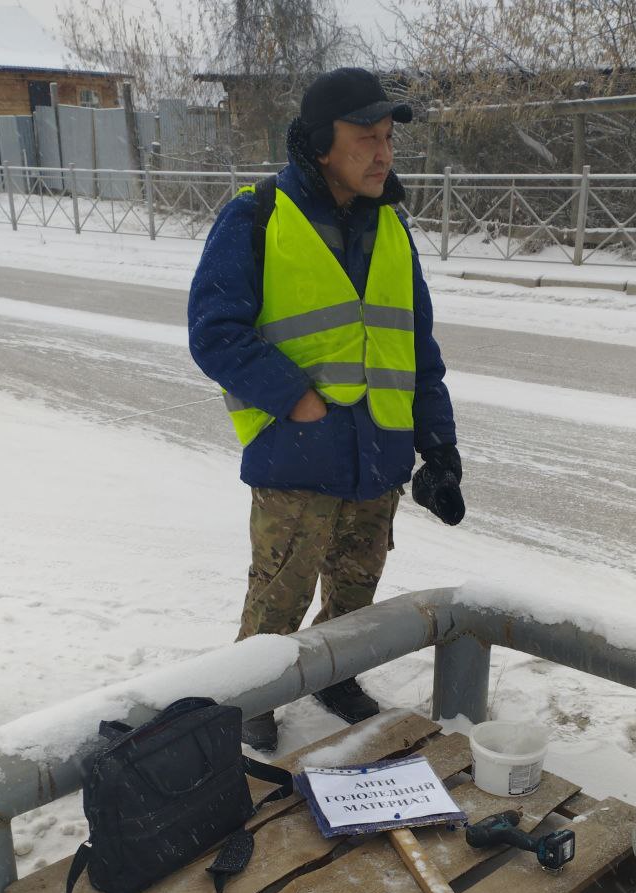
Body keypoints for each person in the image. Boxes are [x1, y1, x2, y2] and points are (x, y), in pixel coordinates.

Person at [188, 67, 465, 751]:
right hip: (296, 456)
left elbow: (416, 348)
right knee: (278, 596)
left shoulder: (393, 230)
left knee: (354, 596)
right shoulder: (257, 217)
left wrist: (440, 445)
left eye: (388, 139)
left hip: (379, 459)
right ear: (320, 144)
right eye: (365, 138)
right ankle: (254, 693)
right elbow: (215, 333)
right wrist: (298, 400)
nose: (383, 153)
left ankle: (335, 676)